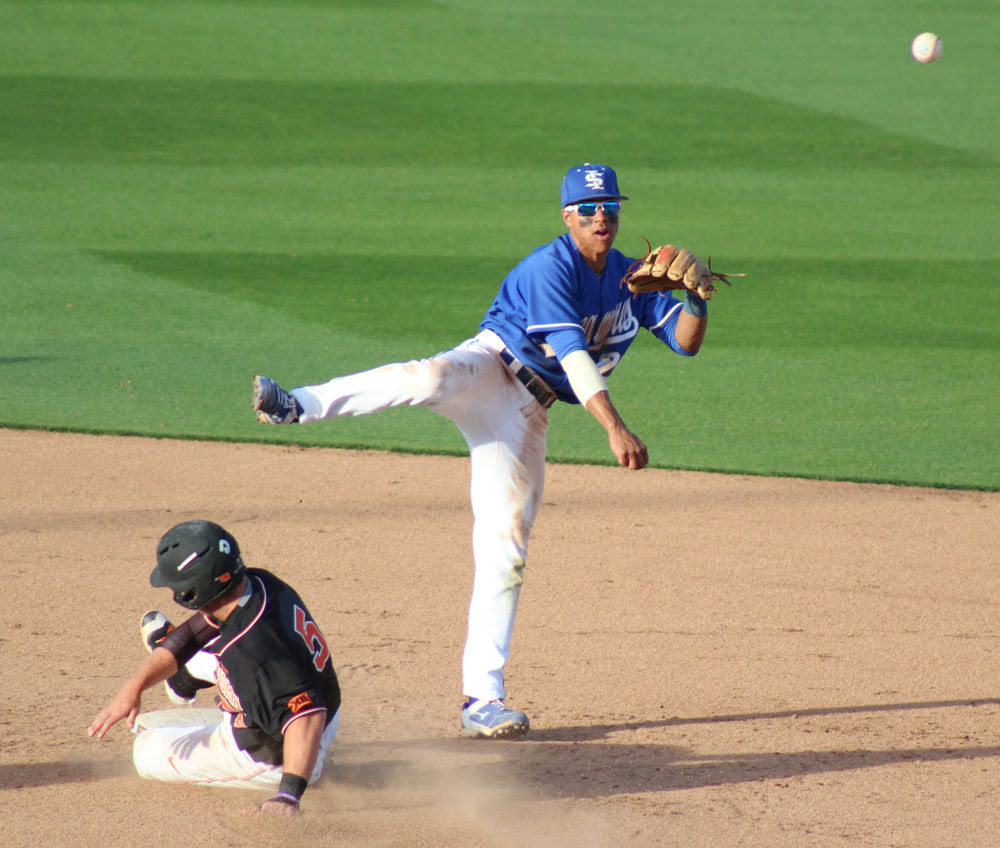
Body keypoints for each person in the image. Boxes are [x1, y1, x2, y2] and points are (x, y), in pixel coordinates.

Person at [251, 164, 714, 740]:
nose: (603, 217)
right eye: (590, 209)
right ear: (568, 216)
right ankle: (297, 403)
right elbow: (571, 352)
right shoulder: (551, 267)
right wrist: (614, 428)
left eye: (611, 208)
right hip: (490, 368)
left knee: (507, 549)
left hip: (525, 415)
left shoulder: (630, 279)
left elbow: (685, 344)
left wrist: (694, 299)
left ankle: (482, 701)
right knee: (428, 376)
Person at [88, 520, 341, 816]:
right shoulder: (256, 584)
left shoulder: (252, 654)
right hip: (316, 702)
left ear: (192, 593)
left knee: (145, 748)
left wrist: (288, 795)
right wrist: (133, 687)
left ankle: (309, 767)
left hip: (282, 754)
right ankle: (183, 679)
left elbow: (305, 714)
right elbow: (193, 635)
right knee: (211, 654)